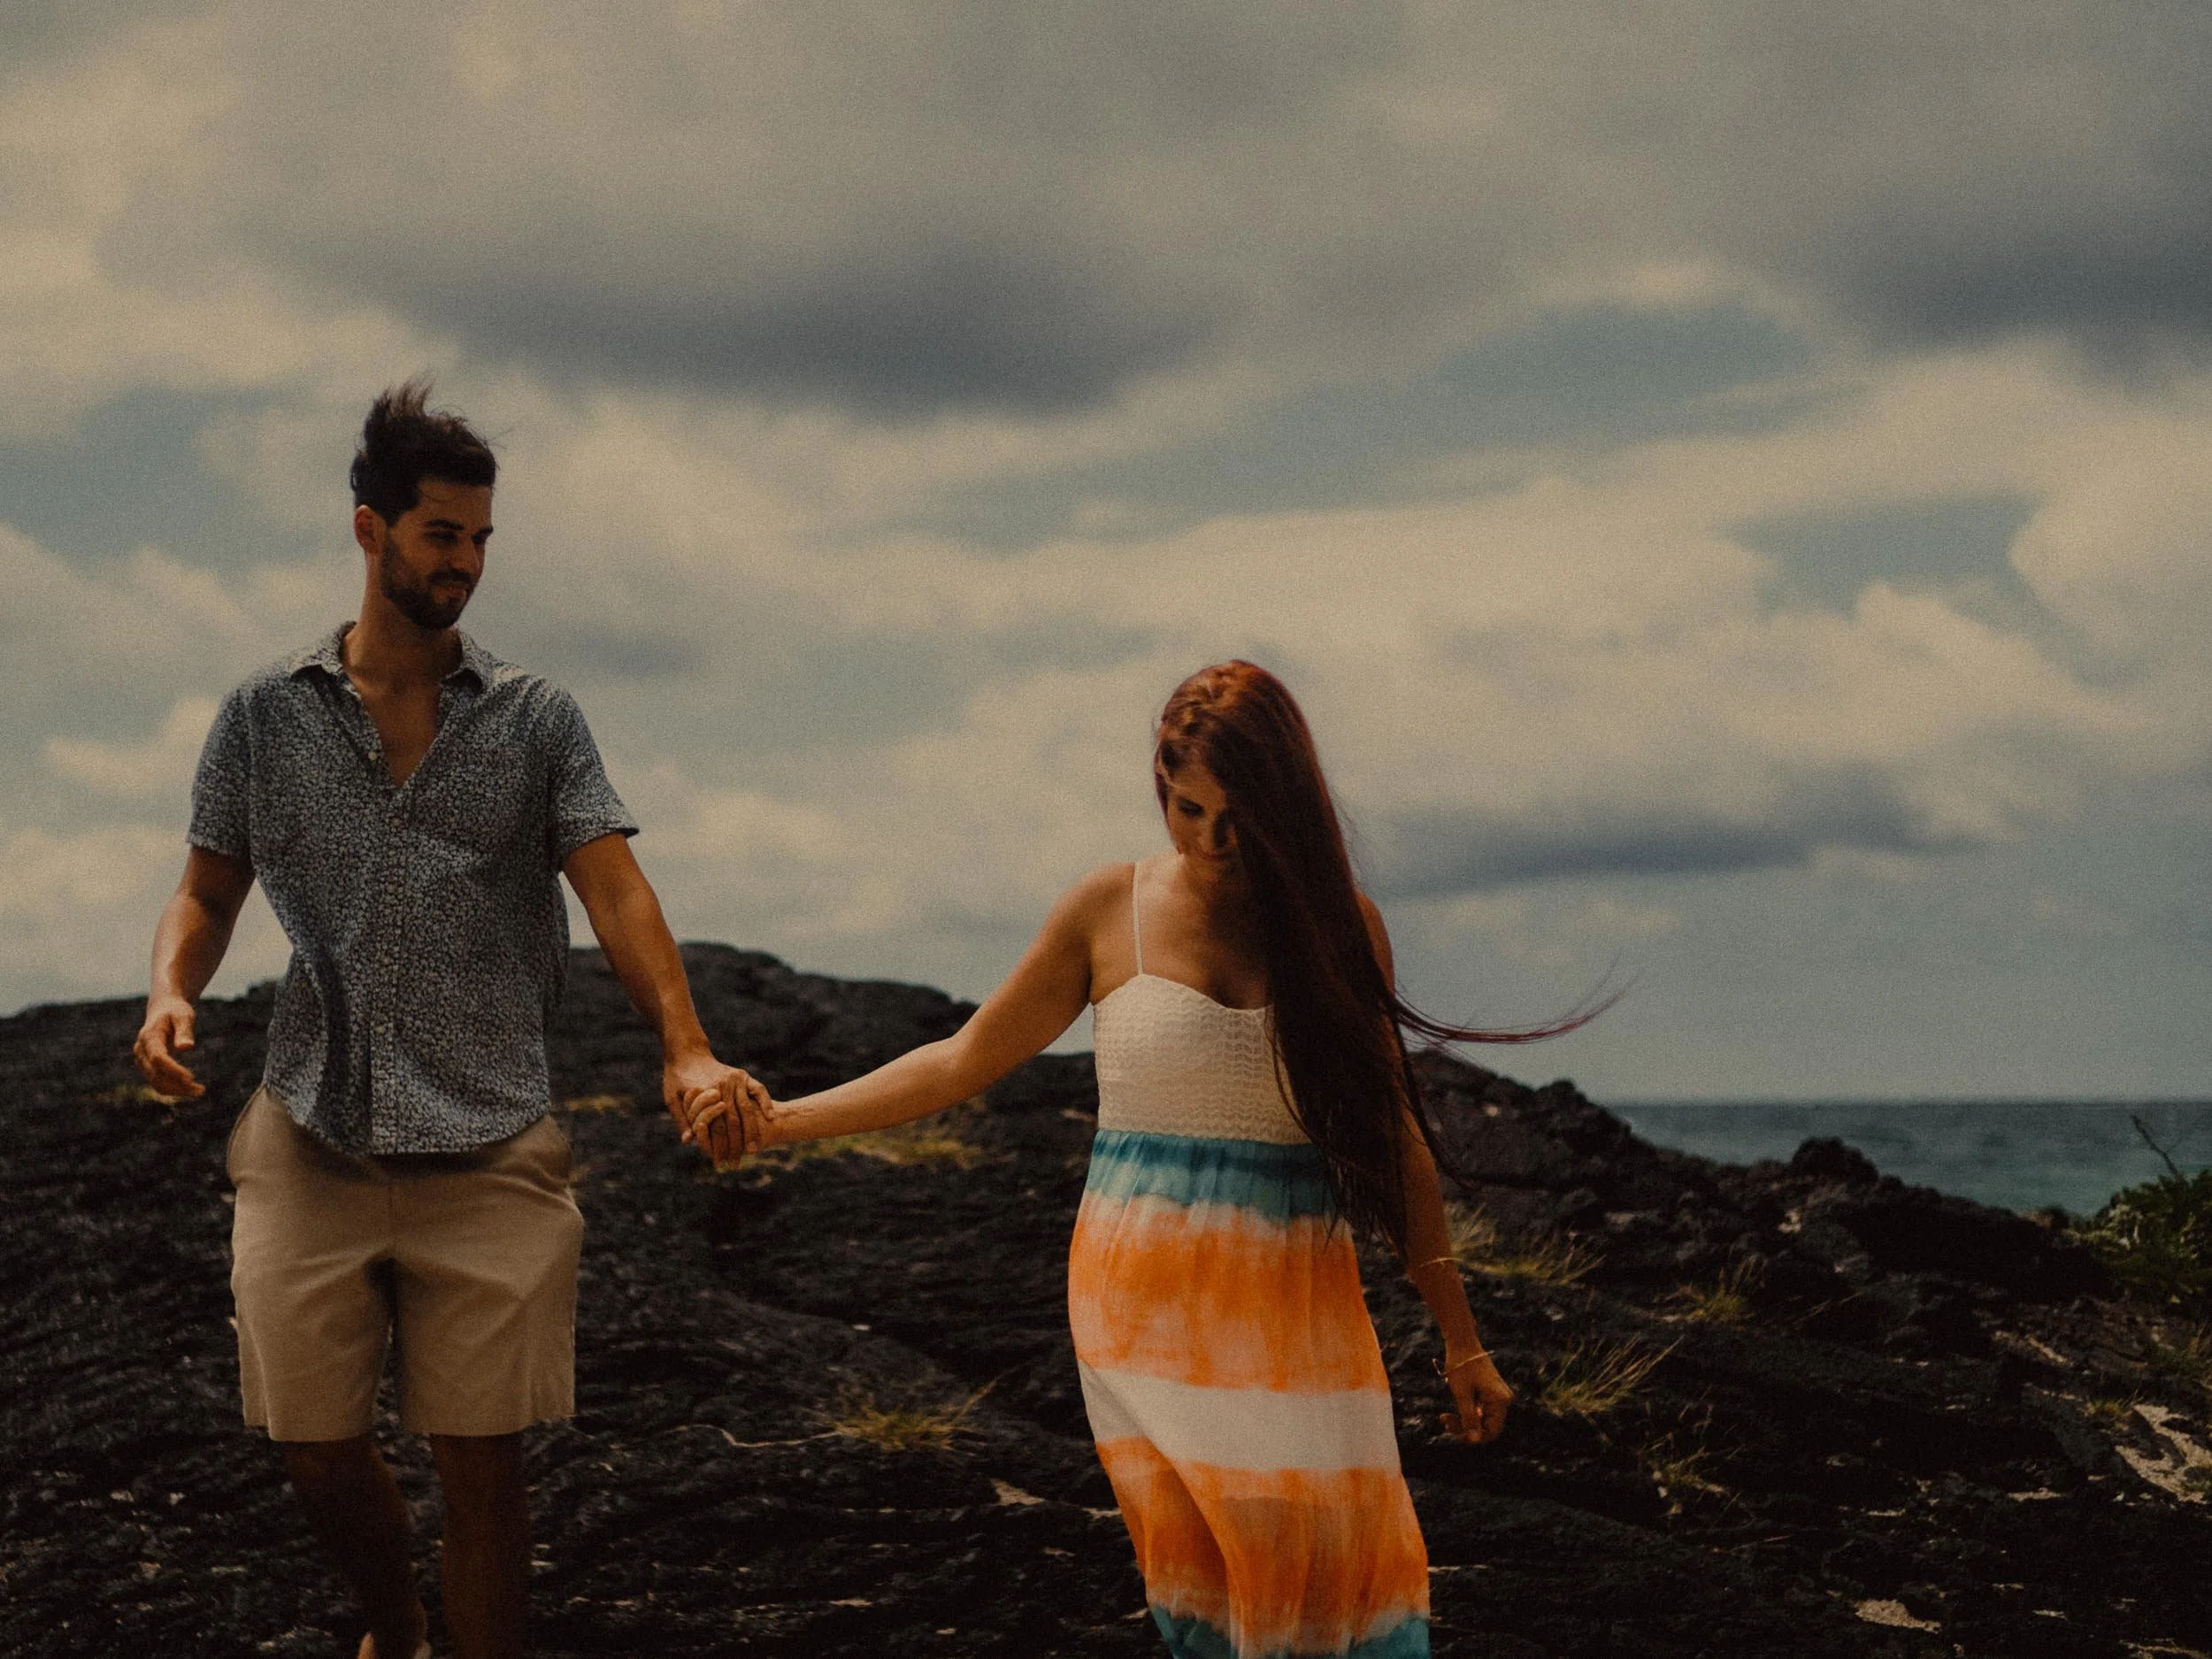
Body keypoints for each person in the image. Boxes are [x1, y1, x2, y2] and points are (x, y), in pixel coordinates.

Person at [697, 661, 1591, 1659]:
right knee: (1210, 1595)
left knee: (1336, 1584)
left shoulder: (1341, 927)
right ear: (1159, 788)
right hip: (1143, 1309)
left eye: (1238, 817)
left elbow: (1394, 1140)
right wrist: (779, 1122)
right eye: (1188, 810)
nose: (1211, 843)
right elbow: (959, 1062)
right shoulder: (1105, 908)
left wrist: (1459, 1340)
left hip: (1298, 1302)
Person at [133, 380, 755, 1659]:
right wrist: (171, 992)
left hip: (490, 1139)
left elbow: (618, 889)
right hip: (312, 1123)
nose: (464, 562)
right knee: (309, 1439)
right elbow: (207, 884)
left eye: (479, 539)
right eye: (439, 535)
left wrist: (684, 1042)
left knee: (484, 1467)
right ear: (369, 530)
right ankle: (394, 1625)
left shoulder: (537, 719)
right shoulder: (263, 713)